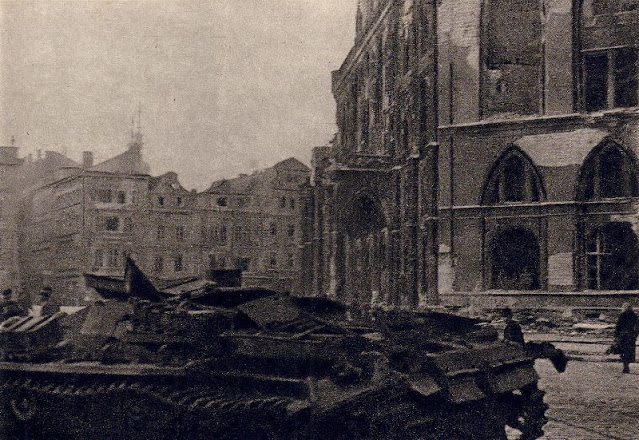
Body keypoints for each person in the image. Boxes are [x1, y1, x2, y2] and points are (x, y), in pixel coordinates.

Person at [614, 303, 638, 374]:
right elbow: (637, 327)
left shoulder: (622, 315)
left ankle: (625, 366)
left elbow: (618, 326)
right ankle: (626, 366)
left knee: (623, 352)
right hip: (631, 336)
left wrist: (616, 336)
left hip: (623, 336)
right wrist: (635, 335)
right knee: (629, 352)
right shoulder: (634, 316)